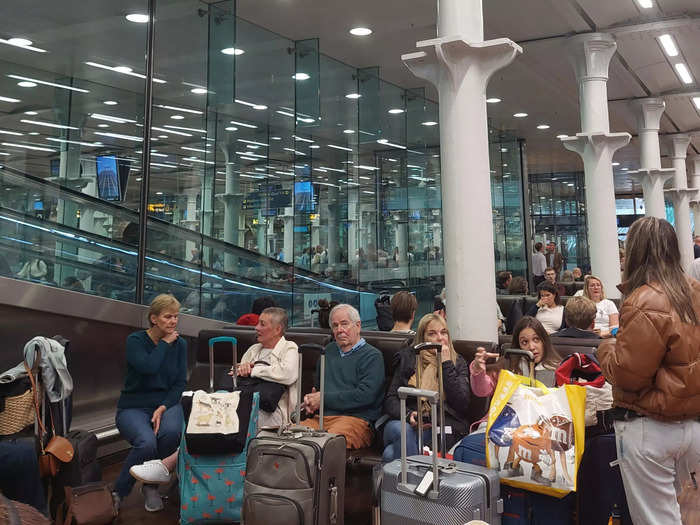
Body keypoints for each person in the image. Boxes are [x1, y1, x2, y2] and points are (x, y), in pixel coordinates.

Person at [598, 217, 700, 525]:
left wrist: (605, 349)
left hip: (648, 428)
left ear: (634, 252)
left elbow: (628, 375)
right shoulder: (694, 291)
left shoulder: (642, 300)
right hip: (692, 425)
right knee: (685, 515)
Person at [129, 307, 299, 485]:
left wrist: (253, 369)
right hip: (243, 403)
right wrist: (246, 370)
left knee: (218, 423)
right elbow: (235, 373)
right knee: (205, 420)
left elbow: (287, 374)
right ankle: (184, 474)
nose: (256, 328)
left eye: (262, 324)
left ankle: (168, 465)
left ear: (277, 329)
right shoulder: (254, 349)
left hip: (272, 411)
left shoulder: (289, 348)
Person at [113, 294, 187, 513]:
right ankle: (119, 492)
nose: (173, 321)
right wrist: (164, 343)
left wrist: (163, 406)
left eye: (176, 317)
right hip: (133, 405)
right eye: (168, 317)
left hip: (166, 403)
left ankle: (151, 485)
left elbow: (179, 383)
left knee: (172, 432)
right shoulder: (135, 341)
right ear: (154, 319)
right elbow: (148, 367)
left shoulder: (180, 344)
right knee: (146, 443)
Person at [382, 313, 471, 461]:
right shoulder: (408, 358)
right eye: (432, 334)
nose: (440, 338)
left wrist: (446, 364)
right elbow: (391, 399)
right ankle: (414, 480)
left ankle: (405, 480)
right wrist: (408, 414)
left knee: (390, 454)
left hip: (437, 425)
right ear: (422, 338)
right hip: (404, 422)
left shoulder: (457, 362)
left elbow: (461, 403)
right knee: (403, 431)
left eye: (443, 332)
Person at [301, 304, 385, 449]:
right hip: (320, 419)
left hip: (355, 421)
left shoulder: (373, 356)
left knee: (326, 444)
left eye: (344, 324)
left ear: (358, 326)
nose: (339, 330)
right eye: (335, 325)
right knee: (289, 439)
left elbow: (365, 396)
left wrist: (323, 399)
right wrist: (311, 402)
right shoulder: (326, 351)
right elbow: (319, 390)